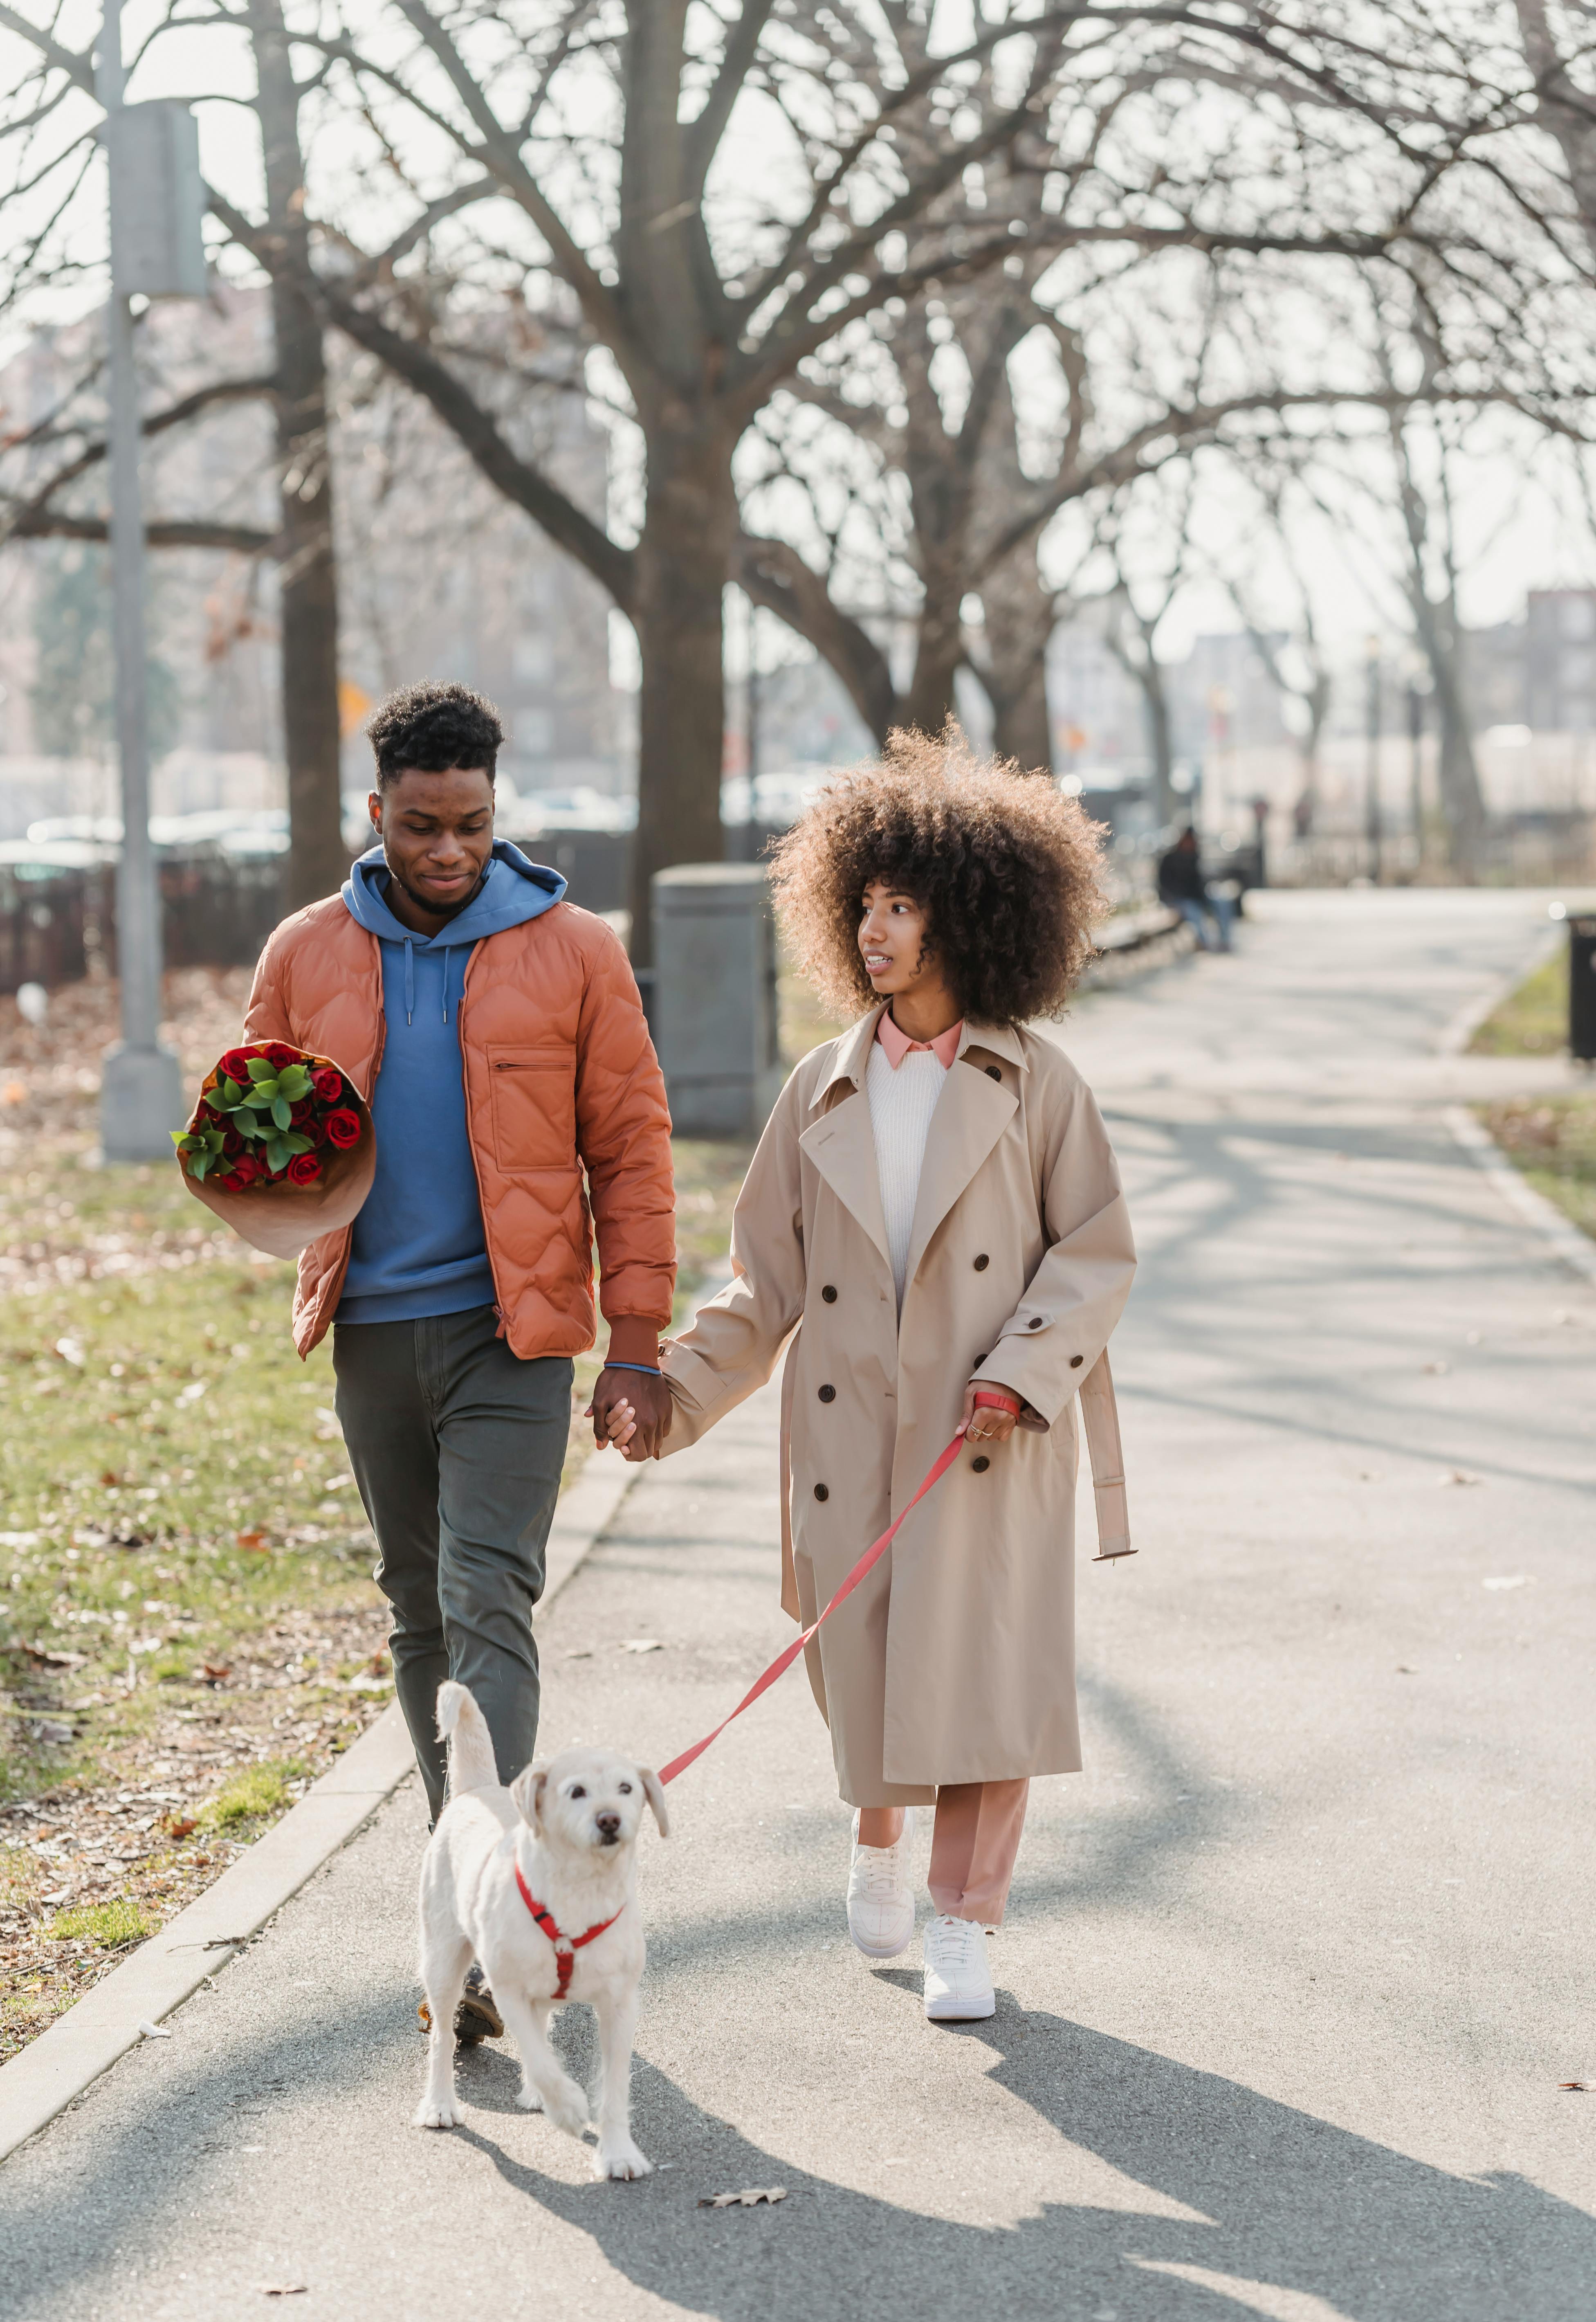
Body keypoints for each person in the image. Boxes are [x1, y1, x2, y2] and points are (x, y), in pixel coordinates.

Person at [608, 732, 1136, 2023]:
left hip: (987, 1430)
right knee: (865, 1667)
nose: (874, 926)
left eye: (901, 904)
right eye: (864, 901)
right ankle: (876, 1835)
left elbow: (1097, 1249)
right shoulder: (819, 1085)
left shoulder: (1036, 1081)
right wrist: (665, 1392)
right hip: (852, 1438)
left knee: (984, 1677)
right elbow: (762, 1282)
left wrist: (1024, 1371)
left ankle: (965, 1925)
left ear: (970, 917)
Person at [244, 680, 674, 2038]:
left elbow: (635, 1148)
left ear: (499, 813)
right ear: (377, 814)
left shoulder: (574, 950)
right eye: (422, 826)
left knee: (485, 1594)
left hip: (518, 1336)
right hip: (371, 1330)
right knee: (416, 1615)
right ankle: (472, 1887)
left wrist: (640, 1342)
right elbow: (258, 1125)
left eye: (471, 825)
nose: (447, 851)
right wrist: (250, 1168)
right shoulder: (308, 951)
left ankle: (500, 1937)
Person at [1156, 823, 1234, 951]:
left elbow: (1200, 883)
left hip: (1197, 898)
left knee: (1223, 903)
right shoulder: (1170, 859)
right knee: (1194, 913)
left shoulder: (1195, 858)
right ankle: (1205, 944)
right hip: (1178, 900)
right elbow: (1164, 884)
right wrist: (1173, 901)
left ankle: (1225, 941)